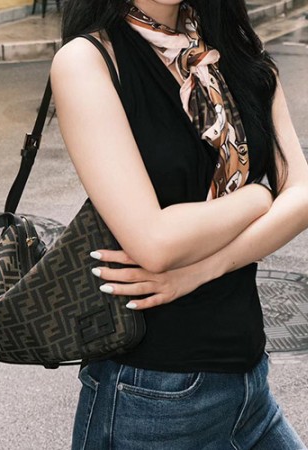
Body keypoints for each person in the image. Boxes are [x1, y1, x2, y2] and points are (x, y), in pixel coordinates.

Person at [50, 0, 308, 448]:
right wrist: (259, 196)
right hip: (152, 397)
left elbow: (302, 197)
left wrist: (202, 269)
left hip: (249, 385)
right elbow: (155, 241)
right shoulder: (87, 61)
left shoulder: (235, 53)